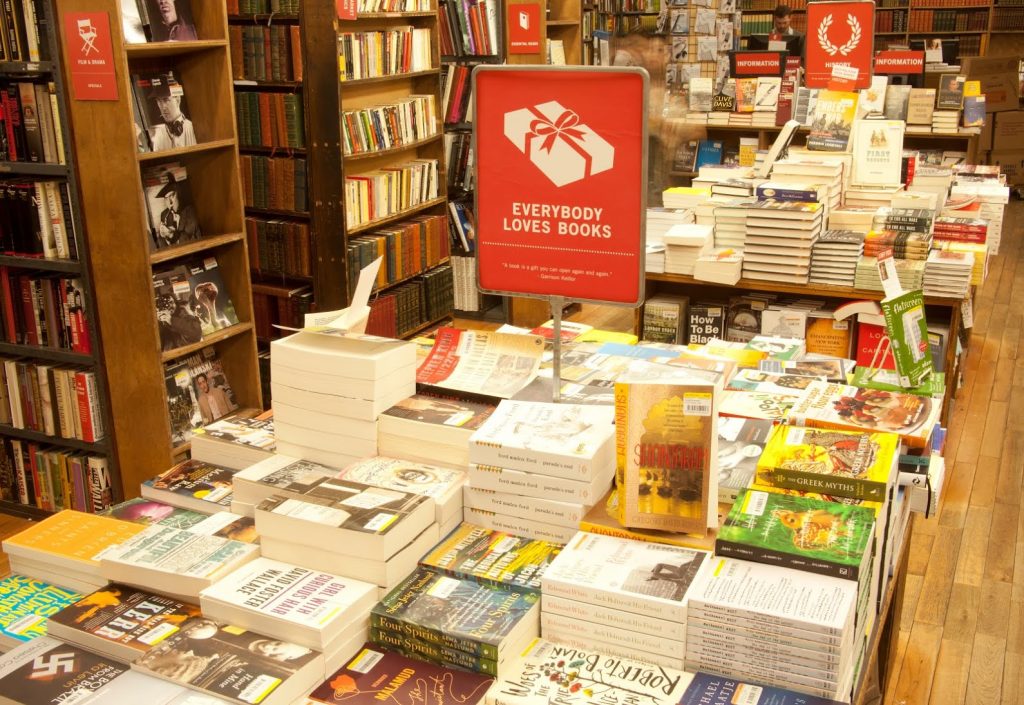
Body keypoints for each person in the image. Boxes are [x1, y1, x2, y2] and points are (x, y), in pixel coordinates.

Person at [148, 78, 196, 151]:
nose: (163, 107)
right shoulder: (158, 135)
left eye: (166, 100)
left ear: (177, 100)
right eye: (159, 101)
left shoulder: (192, 128)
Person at [154, 172, 201, 247]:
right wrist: (162, 236)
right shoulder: (164, 215)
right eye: (166, 198)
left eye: (172, 195)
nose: (170, 201)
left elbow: (187, 238)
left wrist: (171, 234)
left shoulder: (189, 211)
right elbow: (162, 244)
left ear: (178, 194)